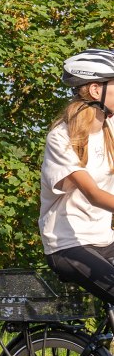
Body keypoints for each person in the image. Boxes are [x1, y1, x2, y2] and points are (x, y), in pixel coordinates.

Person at [39, 49, 114, 300]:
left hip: (104, 239)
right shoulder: (61, 137)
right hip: (68, 245)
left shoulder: (110, 127)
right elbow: (93, 194)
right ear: (96, 90)